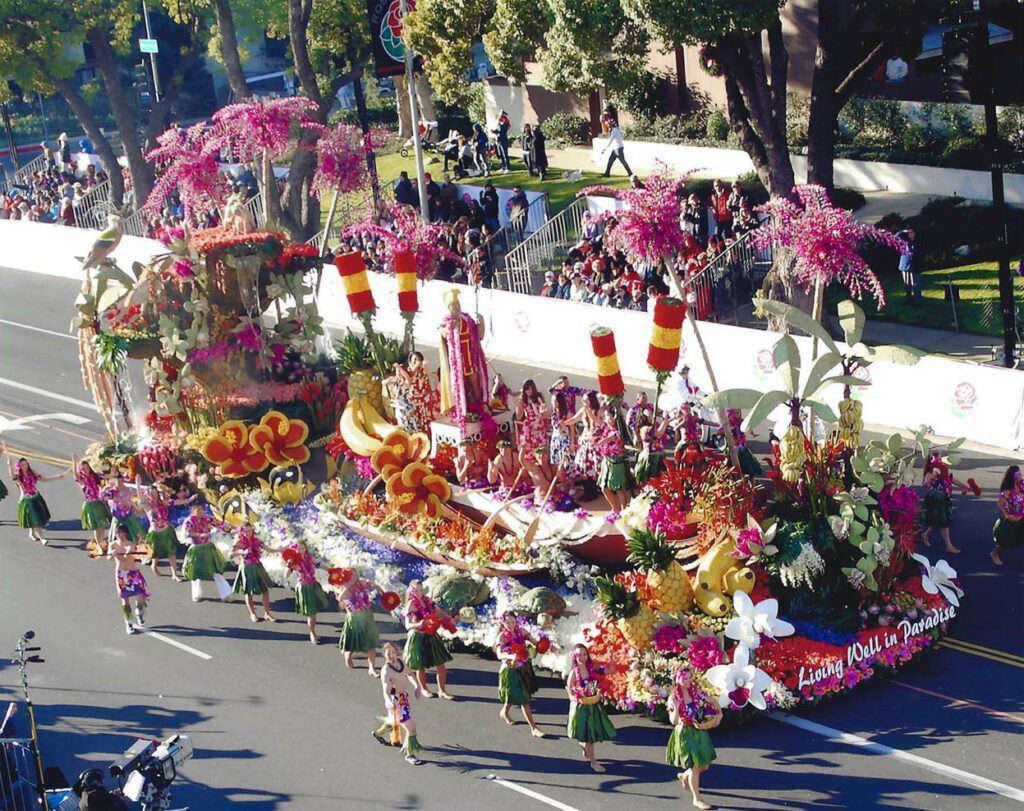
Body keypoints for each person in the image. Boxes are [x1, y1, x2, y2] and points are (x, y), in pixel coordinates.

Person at [666, 668, 720, 810]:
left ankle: (685, 776)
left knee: (704, 765)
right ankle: (697, 799)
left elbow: (711, 700)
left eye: (690, 677)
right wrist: (676, 707)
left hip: (698, 730)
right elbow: (673, 721)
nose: (689, 680)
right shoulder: (673, 698)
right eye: (685, 678)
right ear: (678, 680)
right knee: (695, 767)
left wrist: (719, 713)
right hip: (685, 733)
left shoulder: (695, 691)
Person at [438, 289, 489, 424]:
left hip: (470, 359)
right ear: (449, 308)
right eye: (453, 305)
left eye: (457, 304)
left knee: (475, 383)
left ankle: (481, 406)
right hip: (457, 363)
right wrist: (449, 328)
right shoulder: (446, 321)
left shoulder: (467, 319)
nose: (456, 307)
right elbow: (443, 333)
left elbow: (479, 336)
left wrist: (481, 322)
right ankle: (463, 410)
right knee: (460, 387)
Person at [565, 643, 615, 772]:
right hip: (581, 708)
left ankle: (584, 747)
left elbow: (610, 670)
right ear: (574, 657)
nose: (582, 657)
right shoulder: (573, 673)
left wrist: (611, 657)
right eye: (579, 655)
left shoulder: (592, 668)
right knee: (588, 738)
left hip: (593, 705)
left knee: (590, 736)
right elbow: (569, 691)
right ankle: (593, 762)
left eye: (584, 654)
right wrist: (577, 697)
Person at [495, 611, 546, 738]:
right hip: (510, 671)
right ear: (503, 623)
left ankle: (504, 712)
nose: (511, 625)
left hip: (523, 668)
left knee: (516, 695)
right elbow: (499, 654)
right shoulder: (502, 637)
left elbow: (535, 643)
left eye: (513, 622)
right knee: (524, 699)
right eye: (508, 623)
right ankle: (533, 728)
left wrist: (545, 646)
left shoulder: (522, 632)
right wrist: (511, 656)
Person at [373, 642, 424, 765]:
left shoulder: (401, 663)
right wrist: (388, 701)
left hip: (403, 698)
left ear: (397, 653)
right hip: (396, 702)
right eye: (388, 654)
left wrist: (417, 686)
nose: (391, 656)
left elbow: (409, 674)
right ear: (384, 655)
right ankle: (410, 754)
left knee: (393, 721)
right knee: (411, 728)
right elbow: (385, 690)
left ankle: (378, 733)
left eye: (393, 653)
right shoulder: (386, 671)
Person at [403, 580, 454, 699]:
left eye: (421, 589)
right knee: (421, 665)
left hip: (431, 634)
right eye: (417, 590)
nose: (420, 592)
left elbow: (438, 611)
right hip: (418, 636)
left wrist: (449, 618)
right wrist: (420, 623)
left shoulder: (427, 600)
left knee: (440, 663)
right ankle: (424, 689)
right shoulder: (411, 604)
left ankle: (442, 690)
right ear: (412, 591)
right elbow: (407, 625)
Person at [4, 447, 62, 544]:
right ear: (19, 466)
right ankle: (42, 538)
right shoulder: (18, 476)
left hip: (36, 497)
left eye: (26, 464)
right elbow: (12, 475)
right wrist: (9, 465)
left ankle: (31, 533)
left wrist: (57, 477)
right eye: (23, 465)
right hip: (27, 500)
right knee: (36, 521)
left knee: (35, 519)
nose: (25, 466)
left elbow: (44, 479)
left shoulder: (32, 472)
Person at [921, 453, 971, 555]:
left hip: (944, 498)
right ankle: (949, 545)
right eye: (939, 460)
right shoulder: (930, 473)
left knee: (938, 520)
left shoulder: (944, 473)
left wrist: (964, 486)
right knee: (944, 521)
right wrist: (931, 478)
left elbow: (951, 480)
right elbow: (924, 484)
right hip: (936, 498)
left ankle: (925, 534)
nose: (942, 462)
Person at [182, 504, 231, 602]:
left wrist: (228, 528)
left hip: (208, 547)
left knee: (216, 571)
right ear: (193, 511)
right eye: (198, 510)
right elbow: (187, 533)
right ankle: (196, 595)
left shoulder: (208, 518)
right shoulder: (189, 521)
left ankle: (225, 594)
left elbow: (219, 524)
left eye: (202, 510)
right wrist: (199, 534)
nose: (200, 512)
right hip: (196, 549)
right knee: (196, 572)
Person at [142, 480, 189, 580]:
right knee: (156, 553)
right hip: (155, 533)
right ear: (148, 495)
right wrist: (138, 485)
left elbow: (175, 502)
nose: (154, 496)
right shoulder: (147, 505)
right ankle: (154, 566)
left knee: (171, 552)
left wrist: (187, 501)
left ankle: (174, 574)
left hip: (166, 530)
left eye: (155, 493)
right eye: (151, 494)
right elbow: (141, 499)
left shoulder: (162, 502)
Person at [230, 523, 276, 623]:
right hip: (246, 568)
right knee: (248, 592)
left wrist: (279, 550)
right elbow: (231, 554)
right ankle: (252, 614)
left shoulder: (256, 540)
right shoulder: (239, 542)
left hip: (257, 566)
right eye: (245, 531)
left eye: (249, 531)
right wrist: (242, 552)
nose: (247, 533)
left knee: (265, 590)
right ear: (242, 532)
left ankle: (267, 613)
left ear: (252, 531)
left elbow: (267, 548)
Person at [109, 525, 150, 635]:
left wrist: (127, 552)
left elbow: (126, 557)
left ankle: (139, 613)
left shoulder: (130, 544)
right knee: (125, 600)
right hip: (121, 575)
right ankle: (129, 623)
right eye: (118, 533)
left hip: (133, 573)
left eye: (122, 533)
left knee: (140, 596)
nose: (120, 535)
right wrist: (112, 555)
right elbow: (109, 558)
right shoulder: (112, 545)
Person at [338, 572, 380, 675]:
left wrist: (383, 593)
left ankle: (371, 668)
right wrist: (347, 587)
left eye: (354, 575)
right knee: (353, 642)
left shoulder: (362, 583)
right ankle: (348, 654)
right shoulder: (345, 588)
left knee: (370, 644)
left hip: (366, 617)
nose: (353, 578)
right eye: (351, 576)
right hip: (354, 619)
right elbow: (340, 599)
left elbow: (375, 586)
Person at [288, 541, 330, 645]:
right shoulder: (294, 561)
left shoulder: (309, 558)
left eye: (302, 548)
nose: (300, 550)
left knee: (314, 612)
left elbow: (318, 564)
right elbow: (286, 575)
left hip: (313, 585)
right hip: (304, 587)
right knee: (311, 613)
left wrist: (330, 570)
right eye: (298, 549)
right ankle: (312, 633)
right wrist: (289, 565)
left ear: (305, 549)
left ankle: (313, 631)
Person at [389, 351, 437, 434]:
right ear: (410, 361)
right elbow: (408, 379)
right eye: (415, 360)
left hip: (423, 401)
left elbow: (427, 384)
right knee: (414, 423)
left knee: (425, 422)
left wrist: (430, 397)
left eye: (419, 360)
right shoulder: (407, 371)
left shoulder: (423, 371)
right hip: (413, 402)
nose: (417, 362)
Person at [72, 455, 111, 551]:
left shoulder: (96, 476)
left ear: (89, 467)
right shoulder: (81, 479)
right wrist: (74, 463)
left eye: (86, 468)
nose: (85, 470)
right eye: (83, 469)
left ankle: (101, 541)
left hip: (100, 502)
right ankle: (98, 544)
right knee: (97, 527)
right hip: (91, 505)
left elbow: (108, 475)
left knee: (102, 525)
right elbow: (75, 475)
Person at [595, 408, 629, 511]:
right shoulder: (605, 428)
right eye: (605, 416)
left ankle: (624, 511)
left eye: (608, 416)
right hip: (607, 461)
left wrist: (597, 443)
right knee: (604, 487)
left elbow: (609, 438)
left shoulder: (617, 431)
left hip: (616, 462)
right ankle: (615, 509)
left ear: (614, 417)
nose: (606, 418)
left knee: (618, 488)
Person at [991, 465, 1024, 567]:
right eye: (1018, 474)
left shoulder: (1022, 487)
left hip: (1021, 518)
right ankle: (995, 554)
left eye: (1020, 473)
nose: (1021, 475)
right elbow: (1000, 504)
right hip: (1010, 521)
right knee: (1003, 541)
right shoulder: (1007, 491)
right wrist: (1006, 515)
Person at [569, 392, 602, 480]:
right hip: (585, 441)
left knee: (595, 467)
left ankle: (595, 484)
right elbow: (574, 419)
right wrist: (564, 423)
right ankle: (586, 484)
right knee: (584, 466)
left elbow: (597, 421)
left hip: (595, 441)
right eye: (583, 399)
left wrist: (588, 410)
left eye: (586, 399)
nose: (584, 401)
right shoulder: (583, 410)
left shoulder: (599, 411)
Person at [516, 379, 551, 456]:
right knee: (528, 450)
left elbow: (545, 413)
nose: (527, 391)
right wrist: (519, 403)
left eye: (529, 388)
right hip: (529, 426)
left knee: (541, 449)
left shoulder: (539, 396)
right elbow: (518, 416)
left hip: (539, 425)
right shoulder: (523, 400)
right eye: (526, 389)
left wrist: (542, 413)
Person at [896, 229, 920, 303]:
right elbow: (896, 236)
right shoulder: (904, 241)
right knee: (907, 283)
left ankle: (917, 300)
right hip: (905, 264)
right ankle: (908, 298)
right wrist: (903, 231)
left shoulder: (918, 241)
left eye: (912, 233)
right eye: (909, 233)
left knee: (915, 283)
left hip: (915, 265)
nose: (911, 234)